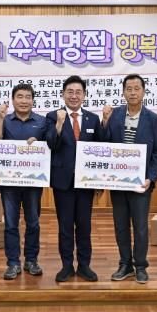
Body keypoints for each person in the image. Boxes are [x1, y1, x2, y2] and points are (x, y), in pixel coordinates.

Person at [102, 74, 157, 284]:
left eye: (137, 88)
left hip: (141, 184)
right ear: (123, 92)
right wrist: (104, 121)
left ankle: (141, 266)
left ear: (144, 91)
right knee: (120, 226)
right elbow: (105, 144)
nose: (133, 92)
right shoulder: (115, 115)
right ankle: (125, 264)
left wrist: (150, 178)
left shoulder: (153, 119)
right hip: (118, 183)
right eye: (129, 89)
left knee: (140, 227)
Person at [45, 75, 103, 282]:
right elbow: (51, 144)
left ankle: (84, 265)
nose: (74, 96)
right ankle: (67, 266)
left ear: (84, 95)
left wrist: (99, 181)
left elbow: (100, 150)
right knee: (65, 226)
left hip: (86, 182)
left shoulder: (92, 119)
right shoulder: (52, 116)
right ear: (63, 94)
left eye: (78, 92)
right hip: (63, 182)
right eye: (70, 92)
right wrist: (60, 124)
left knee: (85, 226)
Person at [0, 83, 47, 280]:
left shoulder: (42, 121)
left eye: (28, 97)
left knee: (33, 223)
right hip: (9, 182)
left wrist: (39, 144)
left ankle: (31, 260)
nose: (24, 101)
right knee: (10, 224)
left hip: (33, 182)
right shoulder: (5, 120)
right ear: (13, 100)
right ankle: (13, 263)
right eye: (20, 97)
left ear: (33, 100)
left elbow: (50, 144)